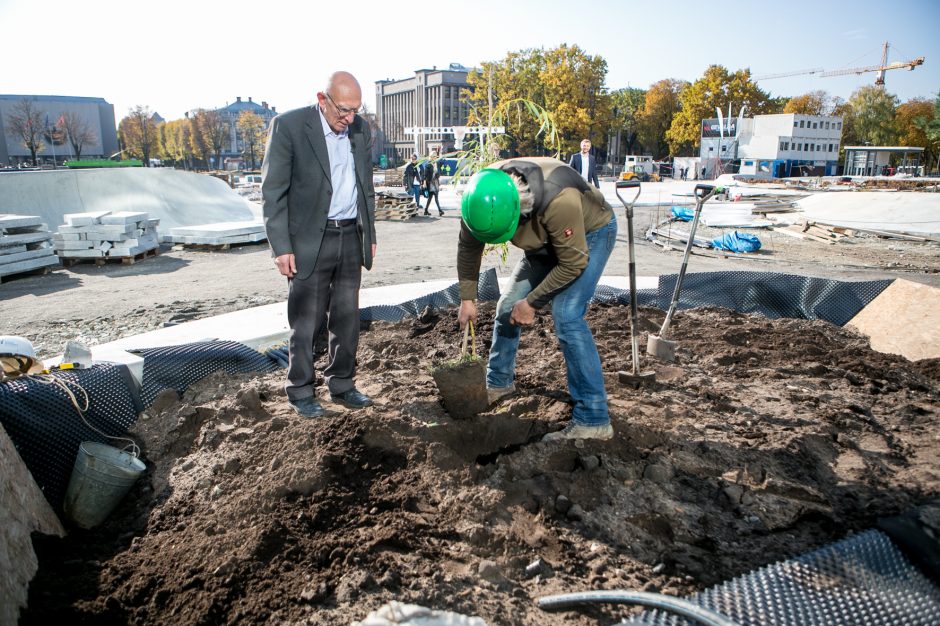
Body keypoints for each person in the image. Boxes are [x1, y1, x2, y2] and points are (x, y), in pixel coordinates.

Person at [456, 157, 617, 441]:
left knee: (567, 314)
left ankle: (594, 419)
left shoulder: (560, 201)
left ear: (521, 211)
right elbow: (469, 248)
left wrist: (532, 302)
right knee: (507, 304)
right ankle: (499, 382)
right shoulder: (482, 196)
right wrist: (467, 299)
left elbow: (572, 263)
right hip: (544, 240)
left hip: (589, 234)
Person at [261, 71, 377, 417]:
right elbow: (272, 192)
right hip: (310, 239)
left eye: (356, 110)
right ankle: (300, 391)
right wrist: (281, 246)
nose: (350, 118)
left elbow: (365, 186)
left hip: (349, 237)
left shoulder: (360, 129)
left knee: (346, 318)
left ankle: (341, 384)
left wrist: (368, 235)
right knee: (306, 321)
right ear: (322, 99)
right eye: (343, 110)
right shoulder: (290, 127)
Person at [422, 151, 444, 216]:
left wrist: (436, 169)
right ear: (431, 157)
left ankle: (426, 210)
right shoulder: (428, 165)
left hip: (436, 182)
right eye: (433, 156)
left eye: (435, 156)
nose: (435, 158)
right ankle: (440, 211)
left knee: (432, 197)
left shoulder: (436, 164)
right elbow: (425, 175)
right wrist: (424, 183)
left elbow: (438, 175)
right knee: (433, 197)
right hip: (430, 183)